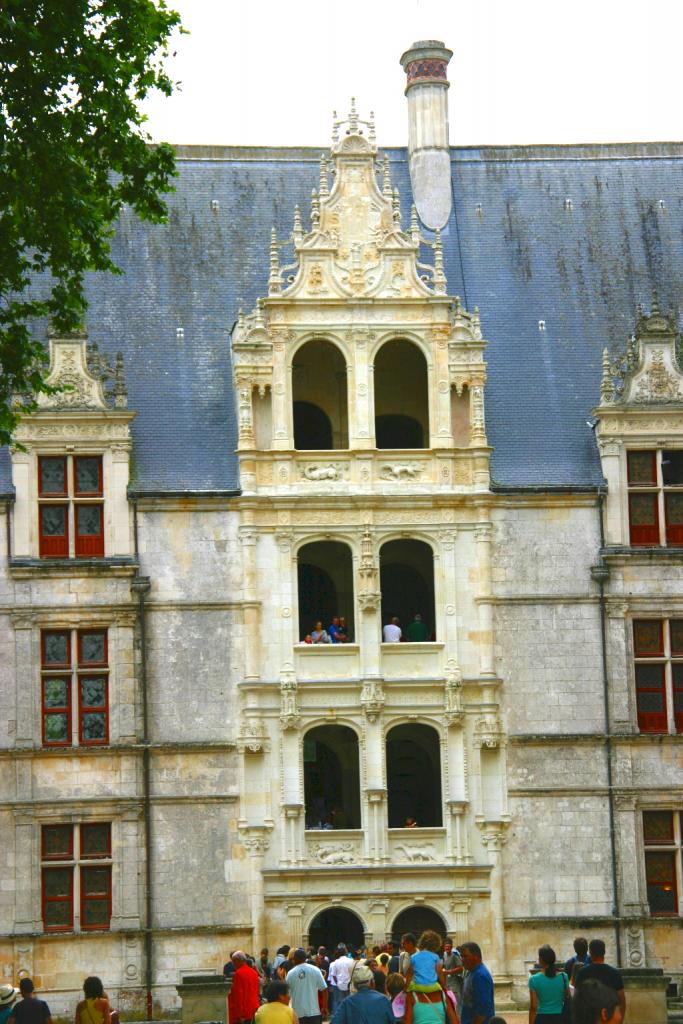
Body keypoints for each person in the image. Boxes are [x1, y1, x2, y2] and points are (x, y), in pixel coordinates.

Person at [574, 941, 625, 1023]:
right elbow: (622, 1000)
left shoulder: (582, 973)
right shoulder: (615, 973)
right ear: (604, 952)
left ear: (590, 953)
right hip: (609, 1017)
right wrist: (620, 1019)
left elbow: (576, 997)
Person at [528, 945, 569, 1023]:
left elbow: (533, 1006)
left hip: (542, 1018)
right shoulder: (564, 977)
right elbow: (566, 997)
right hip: (559, 1017)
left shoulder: (533, 979)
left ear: (541, 960)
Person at [287, 949, 327, 1024]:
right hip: (314, 1012)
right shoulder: (316, 970)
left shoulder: (290, 973)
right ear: (305, 958)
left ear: (294, 959)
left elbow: (286, 994)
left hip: (297, 1013)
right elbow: (324, 989)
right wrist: (325, 1007)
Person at [459, 943, 495, 1024]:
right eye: (461, 956)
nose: (462, 959)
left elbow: (482, 1009)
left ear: (476, 957)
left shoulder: (480, 975)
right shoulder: (470, 973)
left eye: (465, 956)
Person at [228, 951, 261, 1024]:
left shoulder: (238, 974)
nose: (232, 964)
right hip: (254, 1008)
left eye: (234, 961)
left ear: (239, 960)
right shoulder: (254, 972)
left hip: (244, 1011)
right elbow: (257, 991)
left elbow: (238, 995)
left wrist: (240, 1015)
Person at [328, 946, 354, 1016]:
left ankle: (339, 1017)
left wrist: (337, 982)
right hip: (349, 984)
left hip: (339, 985)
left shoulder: (336, 962)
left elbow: (333, 975)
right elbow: (353, 972)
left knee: (339, 1002)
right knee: (350, 1001)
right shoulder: (351, 960)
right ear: (346, 952)